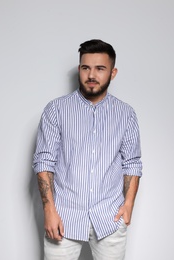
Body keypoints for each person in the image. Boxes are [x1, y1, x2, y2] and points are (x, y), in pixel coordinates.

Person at [33, 39, 143, 260]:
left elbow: (132, 162)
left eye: (100, 68)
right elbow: (44, 162)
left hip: (109, 218)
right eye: (86, 68)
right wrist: (49, 210)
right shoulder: (56, 110)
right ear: (79, 70)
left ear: (113, 73)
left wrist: (128, 205)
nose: (91, 75)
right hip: (63, 217)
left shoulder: (126, 114)